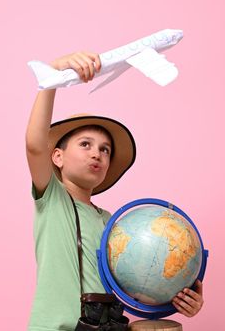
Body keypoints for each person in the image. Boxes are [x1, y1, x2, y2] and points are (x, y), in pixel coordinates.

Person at [26, 52, 204, 331]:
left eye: (104, 149)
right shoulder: (52, 198)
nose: (96, 154)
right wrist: (54, 75)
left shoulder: (113, 225)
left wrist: (178, 296)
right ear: (57, 157)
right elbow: (36, 145)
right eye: (85, 144)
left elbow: (136, 283)